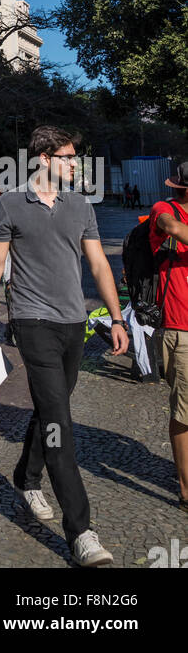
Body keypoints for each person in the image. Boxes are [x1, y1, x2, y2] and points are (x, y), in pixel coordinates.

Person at [0, 125, 128, 567]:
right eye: (68, 157)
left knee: (48, 409)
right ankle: (82, 533)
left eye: (76, 157)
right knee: (61, 421)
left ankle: (26, 476)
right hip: (32, 321)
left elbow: (96, 262)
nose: (76, 164)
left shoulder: (80, 206)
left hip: (74, 323)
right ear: (43, 160)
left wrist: (116, 318)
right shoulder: (12, 203)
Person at [149, 161, 188, 512]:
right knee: (185, 411)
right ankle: (187, 489)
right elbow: (171, 227)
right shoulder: (165, 210)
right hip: (181, 328)